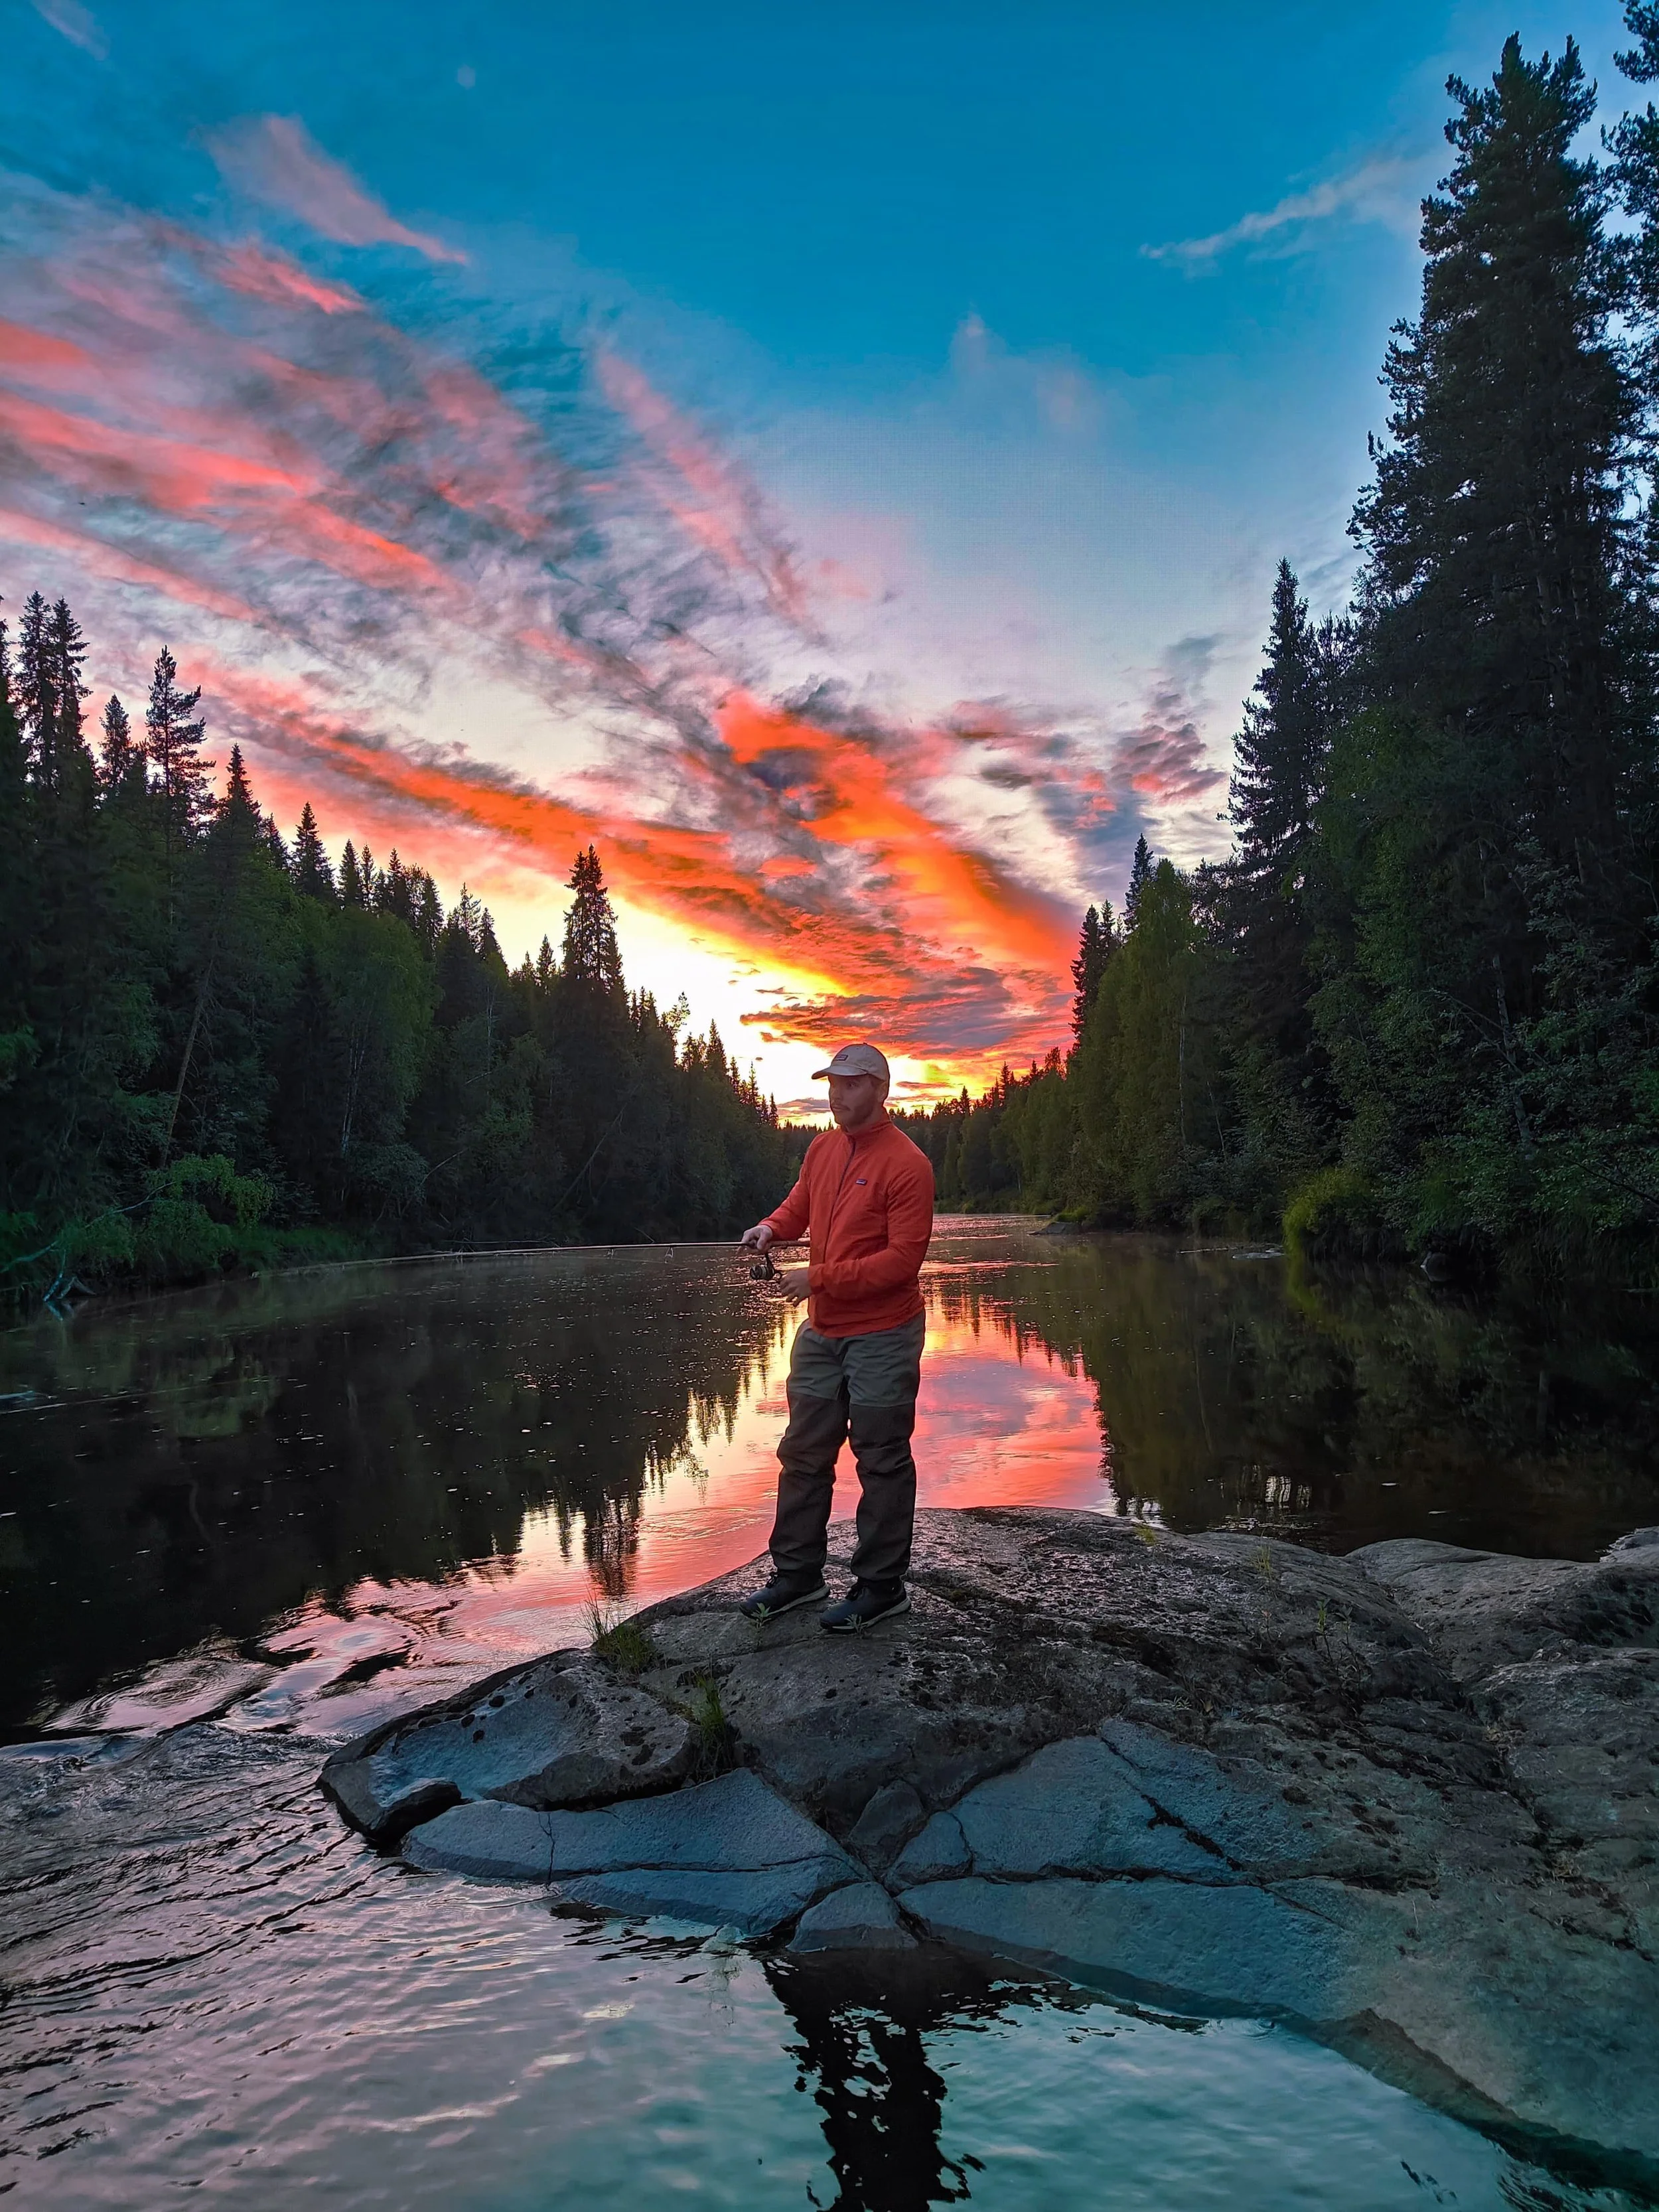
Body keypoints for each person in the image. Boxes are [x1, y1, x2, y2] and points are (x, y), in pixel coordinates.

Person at [737, 1043, 935, 1631]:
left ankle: (881, 1587)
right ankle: (798, 1577)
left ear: (879, 1088)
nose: (837, 1093)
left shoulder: (909, 1164)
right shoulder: (822, 1149)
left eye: (850, 1084)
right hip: (823, 1333)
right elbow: (801, 1205)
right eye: (832, 1083)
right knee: (803, 1452)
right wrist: (770, 1227)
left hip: (885, 1334)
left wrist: (816, 1278)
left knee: (880, 1457)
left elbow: (902, 1262)